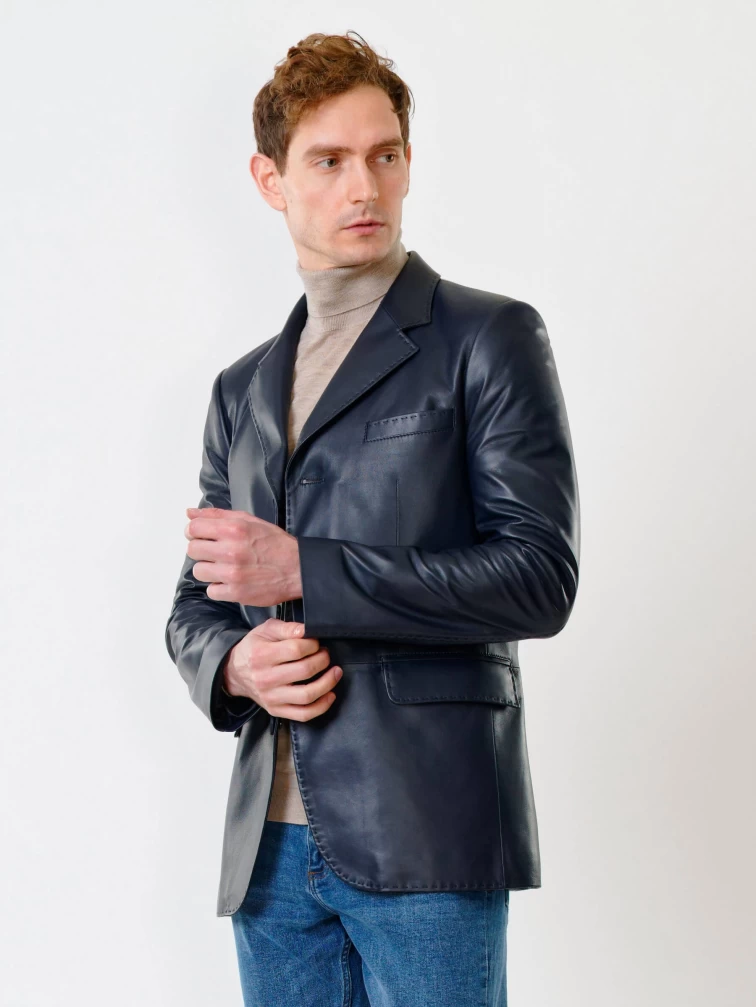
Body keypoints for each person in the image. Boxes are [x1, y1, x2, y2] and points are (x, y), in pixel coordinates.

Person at [165, 29, 580, 1007]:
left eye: (384, 155)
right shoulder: (241, 389)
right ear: (271, 180)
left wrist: (306, 570)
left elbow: (538, 576)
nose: (365, 187)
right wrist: (235, 663)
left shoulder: (488, 336)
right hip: (269, 850)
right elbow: (196, 605)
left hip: (426, 832)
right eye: (329, 160)